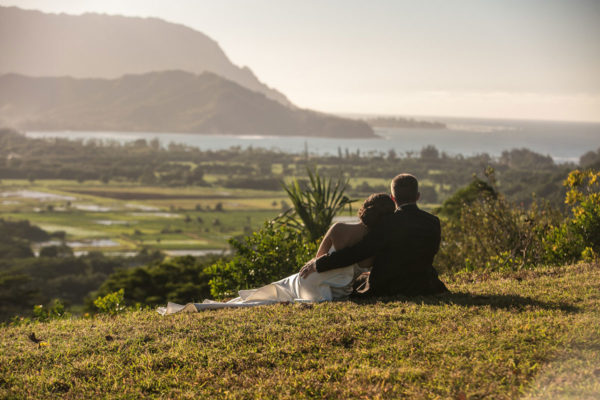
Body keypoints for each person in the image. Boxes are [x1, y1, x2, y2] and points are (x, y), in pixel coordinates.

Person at [158, 193, 396, 315]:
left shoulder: (339, 228)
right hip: (333, 289)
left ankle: (206, 306)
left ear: (364, 210)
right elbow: (365, 271)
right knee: (271, 300)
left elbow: (317, 257)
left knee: (272, 291)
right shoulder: (372, 246)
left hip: (308, 277)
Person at [300, 173, 448, 297]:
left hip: (389, 287)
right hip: (425, 284)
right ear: (418, 196)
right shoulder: (433, 221)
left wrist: (318, 263)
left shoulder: (388, 223)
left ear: (393, 198)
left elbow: (357, 253)